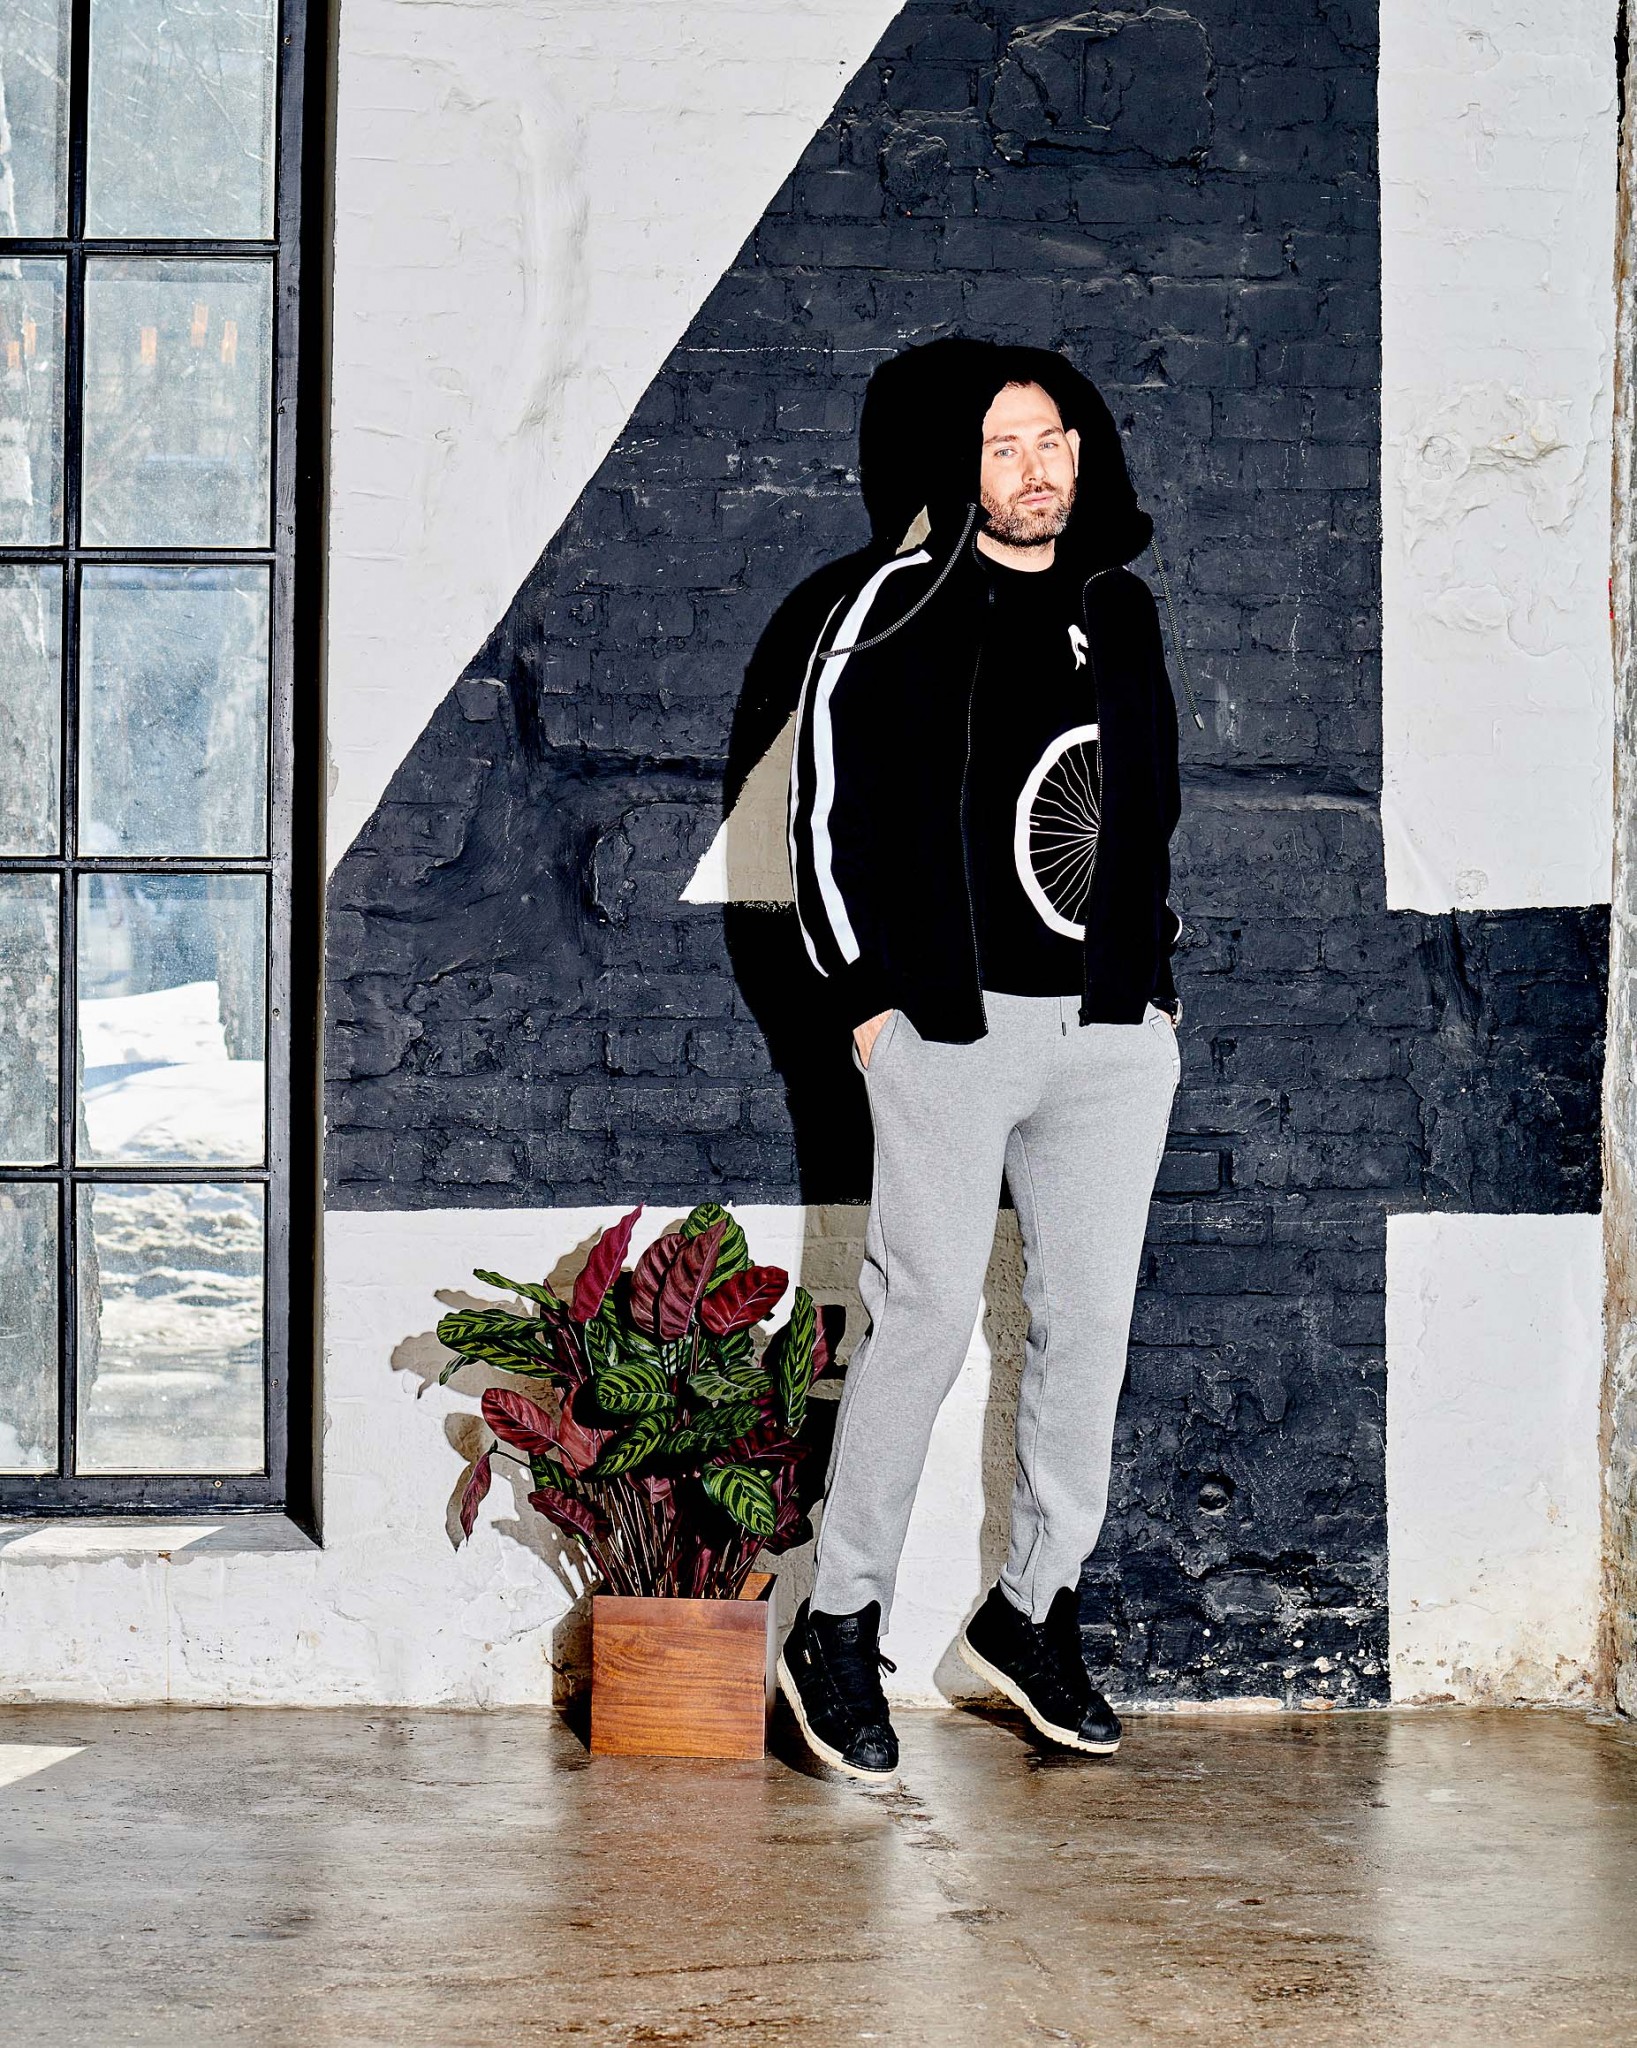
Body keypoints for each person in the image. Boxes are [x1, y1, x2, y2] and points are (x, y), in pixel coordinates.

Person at [777, 339, 1184, 1780]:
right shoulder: (890, 603)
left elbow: (1144, 807)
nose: (1035, 466)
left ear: (1085, 454)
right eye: (1006, 445)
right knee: (925, 1321)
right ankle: (837, 1624)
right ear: (966, 470)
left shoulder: (1118, 608)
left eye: (1053, 439)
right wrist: (865, 1000)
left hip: (1109, 1036)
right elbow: (821, 812)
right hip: (947, 1030)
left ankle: (1030, 1611)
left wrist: (1151, 991)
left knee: (1087, 1330)